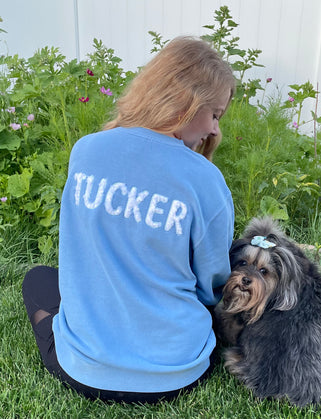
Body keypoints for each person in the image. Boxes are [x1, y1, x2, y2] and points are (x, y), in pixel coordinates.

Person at [22, 36, 236, 404]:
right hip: (177, 373)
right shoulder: (206, 180)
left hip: (84, 371)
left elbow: (78, 258)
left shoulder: (86, 151)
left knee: (38, 280)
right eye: (215, 113)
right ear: (187, 99)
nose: (215, 130)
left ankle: (85, 347)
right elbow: (211, 287)